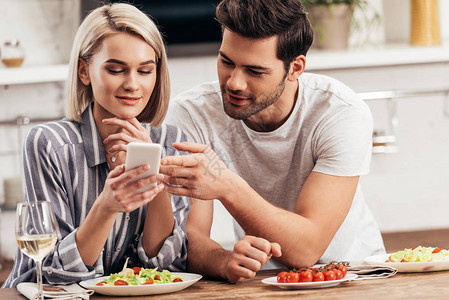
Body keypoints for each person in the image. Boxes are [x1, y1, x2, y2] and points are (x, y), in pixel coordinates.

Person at [161, 0, 385, 283]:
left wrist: (226, 185)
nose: (234, 83)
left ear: (295, 68)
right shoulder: (192, 114)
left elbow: (307, 249)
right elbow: (188, 237)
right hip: (262, 281)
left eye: (255, 71)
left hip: (355, 274)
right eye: (226, 62)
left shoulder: (339, 111)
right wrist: (224, 260)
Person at [3, 3, 189, 287]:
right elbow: (54, 272)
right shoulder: (50, 144)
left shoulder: (171, 141)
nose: (132, 84)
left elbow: (164, 264)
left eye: (145, 71)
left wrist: (154, 170)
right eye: (116, 70)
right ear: (84, 71)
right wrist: (106, 206)